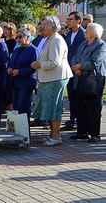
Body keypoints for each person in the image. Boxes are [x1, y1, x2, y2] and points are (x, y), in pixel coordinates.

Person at [31, 16, 73, 146]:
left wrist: (39, 65)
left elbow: (55, 62)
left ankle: (56, 136)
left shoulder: (56, 39)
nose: (41, 27)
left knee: (54, 107)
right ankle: (52, 135)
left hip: (56, 78)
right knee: (47, 107)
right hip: (47, 78)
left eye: (45, 24)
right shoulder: (49, 38)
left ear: (53, 27)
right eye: (41, 24)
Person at [70, 23, 106, 142]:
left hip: (93, 80)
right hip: (80, 78)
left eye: (88, 30)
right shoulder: (83, 43)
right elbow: (75, 56)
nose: (85, 31)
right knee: (80, 105)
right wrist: (76, 67)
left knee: (93, 107)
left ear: (94, 32)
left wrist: (80, 66)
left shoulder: (101, 45)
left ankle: (94, 134)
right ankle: (82, 132)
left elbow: (95, 61)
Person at [7, 28, 38, 123]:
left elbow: (34, 68)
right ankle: (17, 129)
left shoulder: (33, 50)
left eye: (20, 37)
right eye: (16, 37)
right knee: (16, 106)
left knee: (22, 105)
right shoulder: (17, 50)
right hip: (15, 82)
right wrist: (9, 68)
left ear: (28, 37)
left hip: (26, 82)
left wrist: (19, 71)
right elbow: (10, 62)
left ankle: (25, 130)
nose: (18, 39)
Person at [62, 11, 86, 131]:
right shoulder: (68, 35)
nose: (68, 22)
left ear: (78, 21)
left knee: (78, 96)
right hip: (69, 70)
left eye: (70, 19)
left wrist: (78, 66)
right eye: (68, 19)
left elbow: (83, 53)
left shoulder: (84, 34)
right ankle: (72, 119)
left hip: (79, 70)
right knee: (71, 96)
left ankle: (77, 120)